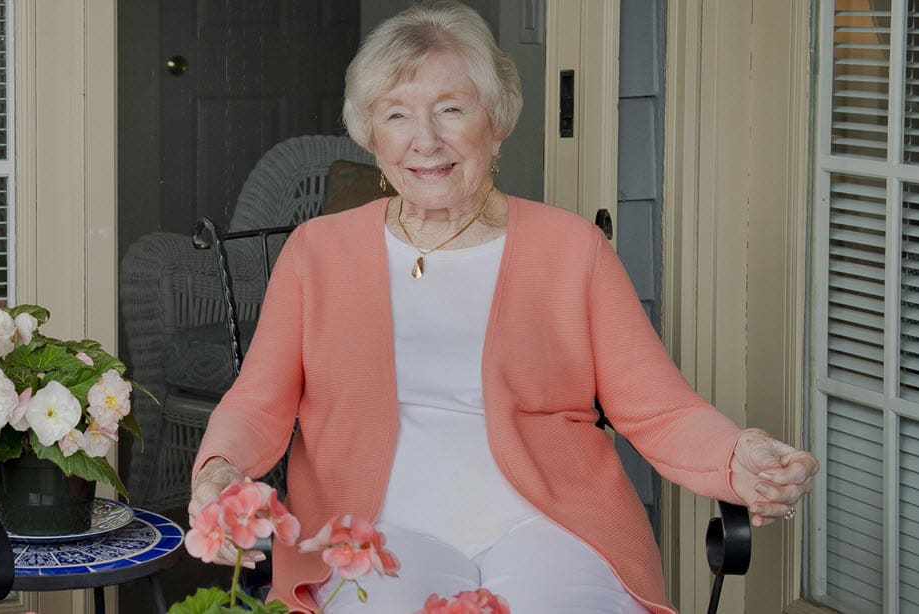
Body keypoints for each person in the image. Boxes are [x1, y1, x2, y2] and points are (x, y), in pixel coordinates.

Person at [187, 3, 818, 613]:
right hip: (371, 527)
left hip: (552, 522)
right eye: (398, 114)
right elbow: (258, 400)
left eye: (451, 109)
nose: (425, 140)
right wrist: (218, 470)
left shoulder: (571, 249)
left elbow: (659, 408)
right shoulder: (316, 252)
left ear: (496, 123)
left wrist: (739, 458)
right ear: (370, 135)